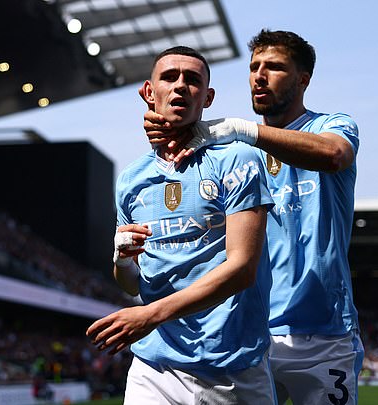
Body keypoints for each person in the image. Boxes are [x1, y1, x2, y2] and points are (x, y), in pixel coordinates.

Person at [140, 30, 364, 405]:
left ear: (303, 78)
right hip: (250, 333)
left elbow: (334, 155)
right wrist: (166, 125)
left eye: (274, 67)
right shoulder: (233, 152)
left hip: (324, 333)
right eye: (254, 67)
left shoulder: (331, 126)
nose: (259, 76)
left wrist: (242, 130)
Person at [86, 46, 276, 404]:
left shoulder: (238, 158)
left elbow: (242, 269)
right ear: (148, 92)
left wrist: (149, 316)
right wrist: (122, 260)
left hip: (231, 369)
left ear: (208, 97)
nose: (180, 86)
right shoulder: (131, 178)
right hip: (154, 368)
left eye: (193, 80)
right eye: (169, 77)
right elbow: (131, 285)